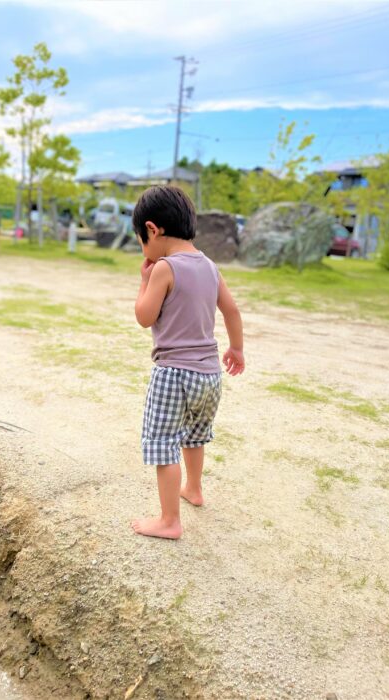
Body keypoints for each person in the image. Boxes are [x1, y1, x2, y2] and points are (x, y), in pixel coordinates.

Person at [130, 185, 245, 540]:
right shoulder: (210, 266)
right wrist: (236, 349)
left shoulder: (164, 268)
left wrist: (144, 281)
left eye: (140, 239)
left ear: (152, 229)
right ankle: (193, 489)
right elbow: (231, 310)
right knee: (194, 436)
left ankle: (169, 521)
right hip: (209, 375)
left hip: (173, 375)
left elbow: (145, 317)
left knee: (164, 442)